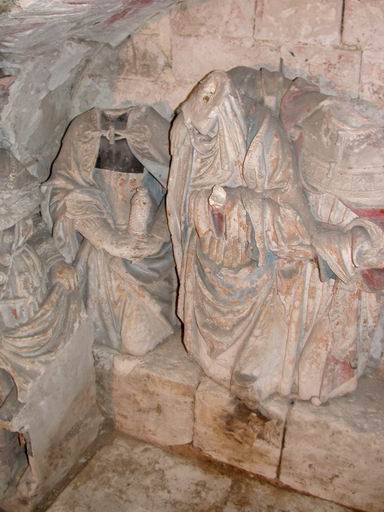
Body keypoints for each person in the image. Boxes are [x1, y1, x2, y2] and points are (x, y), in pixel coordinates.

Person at [168, 70, 384, 407]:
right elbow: (182, 201)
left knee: (295, 276)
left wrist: (237, 206)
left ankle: (268, 365)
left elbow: (290, 209)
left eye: (212, 134)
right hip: (219, 246)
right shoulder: (189, 136)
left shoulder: (262, 139)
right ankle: (225, 357)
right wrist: (211, 210)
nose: (205, 140)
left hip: (270, 256)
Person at [43, 106, 177, 355]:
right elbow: (61, 192)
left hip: (145, 249)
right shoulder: (82, 128)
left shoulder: (152, 127)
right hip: (99, 243)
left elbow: (180, 191)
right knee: (84, 330)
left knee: (136, 342)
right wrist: (105, 237)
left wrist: (156, 236)